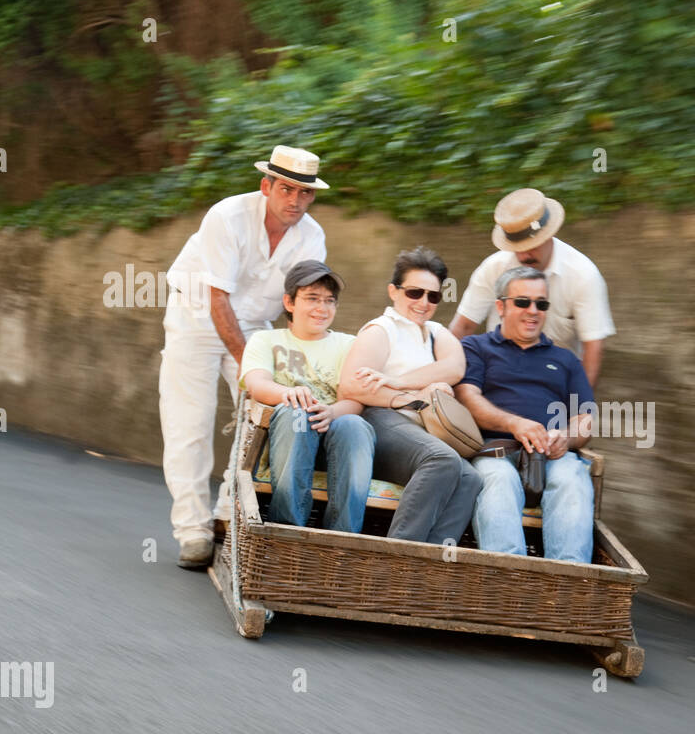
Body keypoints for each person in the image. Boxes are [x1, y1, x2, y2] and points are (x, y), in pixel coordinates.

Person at [159, 145, 329, 567]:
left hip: (256, 326)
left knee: (262, 420)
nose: (295, 201)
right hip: (197, 313)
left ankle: (224, 517)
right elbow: (219, 300)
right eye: (287, 189)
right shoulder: (227, 216)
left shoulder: (313, 236)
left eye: (305, 193)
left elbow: (302, 304)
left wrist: (296, 364)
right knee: (189, 423)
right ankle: (193, 531)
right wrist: (249, 368)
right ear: (266, 186)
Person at [337, 247, 482, 545]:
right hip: (383, 422)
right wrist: (414, 395)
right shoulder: (381, 330)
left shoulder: (435, 332)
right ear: (394, 291)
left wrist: (396, 380)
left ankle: (431, 564)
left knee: (471, 478)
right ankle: (397, 556)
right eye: (415, 293)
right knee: (441, 460)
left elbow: (454, 367)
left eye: (433, 296)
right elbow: (350, 387)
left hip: (422, 428)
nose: (424, 303)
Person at [454, 266, 595, 562]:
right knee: (498, 480)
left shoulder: (565, 359)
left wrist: (565, 438)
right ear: (501, 307)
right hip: (494, 451)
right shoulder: (476, 347)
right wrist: (514, 423)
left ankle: (568, 586)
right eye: (522, 302)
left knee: (572, 475)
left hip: (551, 455)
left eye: (541, 303)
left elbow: (585, 420)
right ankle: (508, 582)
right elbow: (468, 397)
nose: (533, 311)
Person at [239, 262, 374, 533]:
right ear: (289, 302)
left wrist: (332, 412)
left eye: (329, 301)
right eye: (312, 299)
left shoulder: (348, 345)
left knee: (355, 424)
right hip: (287, 441)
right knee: (296, 412)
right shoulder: (265, 340)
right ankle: (288, 533)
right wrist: (287, 393)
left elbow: (355, 399)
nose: (322, 309)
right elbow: (256, 384)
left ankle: (342, 539)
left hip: (333, 441)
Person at [449, 188, 615, 386]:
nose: (524, 255)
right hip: (496, 373)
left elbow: (593, 347)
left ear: (549, 234)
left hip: (554, 381)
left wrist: (580, 406)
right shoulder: (493, 268)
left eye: (532, 245)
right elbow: (464, 326)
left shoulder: (584, 275)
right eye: (517, 248)